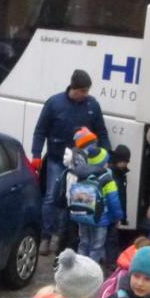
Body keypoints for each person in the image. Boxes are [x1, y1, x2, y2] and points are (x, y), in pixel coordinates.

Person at [32, 70, 111, 255]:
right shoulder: (54, 103)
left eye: (87, 91)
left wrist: (107, 155)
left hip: (79, 163)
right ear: (73, 89)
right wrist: (36, 154)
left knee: (68, 200)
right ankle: (45, 235)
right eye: (83, 91)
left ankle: (58, 236)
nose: (86, 94)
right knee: (52, 196)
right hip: (56, 159)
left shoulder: (93, 105)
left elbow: (102, 132)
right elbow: (40, 131)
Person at [65, 127, 123, 261]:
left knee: (84, 243)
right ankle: (91, 272)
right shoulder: (107, 178)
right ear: (103, 163)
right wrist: (117, 217)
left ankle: (78, 268)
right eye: (107, 161)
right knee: (97, 246)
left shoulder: (80, 173)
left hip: (82, 216)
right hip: (100, 219)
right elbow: (113, 200)